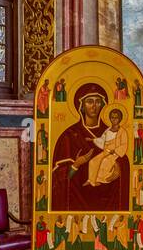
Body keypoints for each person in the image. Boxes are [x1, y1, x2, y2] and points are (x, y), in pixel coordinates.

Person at [51, 82, 130, 212]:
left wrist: (119, 167)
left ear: (103, 105)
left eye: (98, 102)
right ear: (81, 106)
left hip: (107, 196)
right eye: (89, 101)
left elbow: (123, 156)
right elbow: (56, 178)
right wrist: (76, 164)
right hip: (76, 201)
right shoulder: (69, 135)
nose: (94, 106)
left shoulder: (111, 131)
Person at [87, 108, 130, 187]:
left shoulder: (122, 131)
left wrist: (114, 151)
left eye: (116, 118)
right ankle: (91, 180)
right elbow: (102, 139)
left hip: (114, 153)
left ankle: (101, 180)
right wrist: (93, 139)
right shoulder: (108, 130)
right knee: (93, 161)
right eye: (112, 117)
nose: (114, 120)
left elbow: (124, 144)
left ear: (120, 119)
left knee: (104, 161)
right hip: (106, 151)